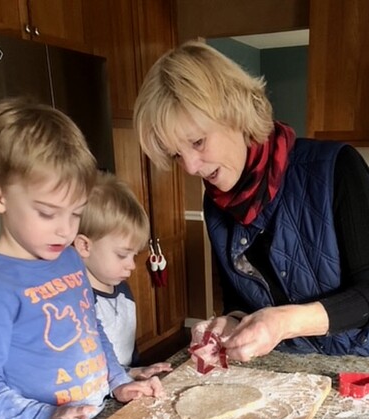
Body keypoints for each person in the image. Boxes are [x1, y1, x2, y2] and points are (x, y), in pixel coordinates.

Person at [133, 40, 369, 362]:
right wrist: (229, 323)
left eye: (198, 141)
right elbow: (238, 300)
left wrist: (284, 323)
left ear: (235, 112)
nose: (189, 167)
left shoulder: (336, 168)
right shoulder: (216, 206)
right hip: (289, 372)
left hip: (360, 368)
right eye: (176, 154)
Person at [0, 97, 164, 419]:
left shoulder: (67, 259)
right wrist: (42, 418)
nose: (64, 229)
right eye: (47, 213)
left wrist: (118, 381)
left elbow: (89, 330)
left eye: (76, 213)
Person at [73, 171, 172, 379]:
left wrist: (137, 370)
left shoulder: (122, 290)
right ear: (84, 246)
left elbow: (127, 349)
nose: (132, 266)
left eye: (134, 255)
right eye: (122, 255)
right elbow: (84, 370)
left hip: (125, 383)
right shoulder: (76, 302)